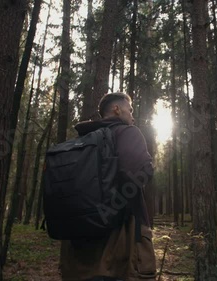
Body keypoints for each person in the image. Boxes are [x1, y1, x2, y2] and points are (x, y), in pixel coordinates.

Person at [59, 92, 156, 281]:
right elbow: (138, 173)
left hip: (77, 246)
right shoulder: (128, 132)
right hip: (121, 241)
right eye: (130, 110)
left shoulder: (79, 141)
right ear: (117, 109)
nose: (133, 116)